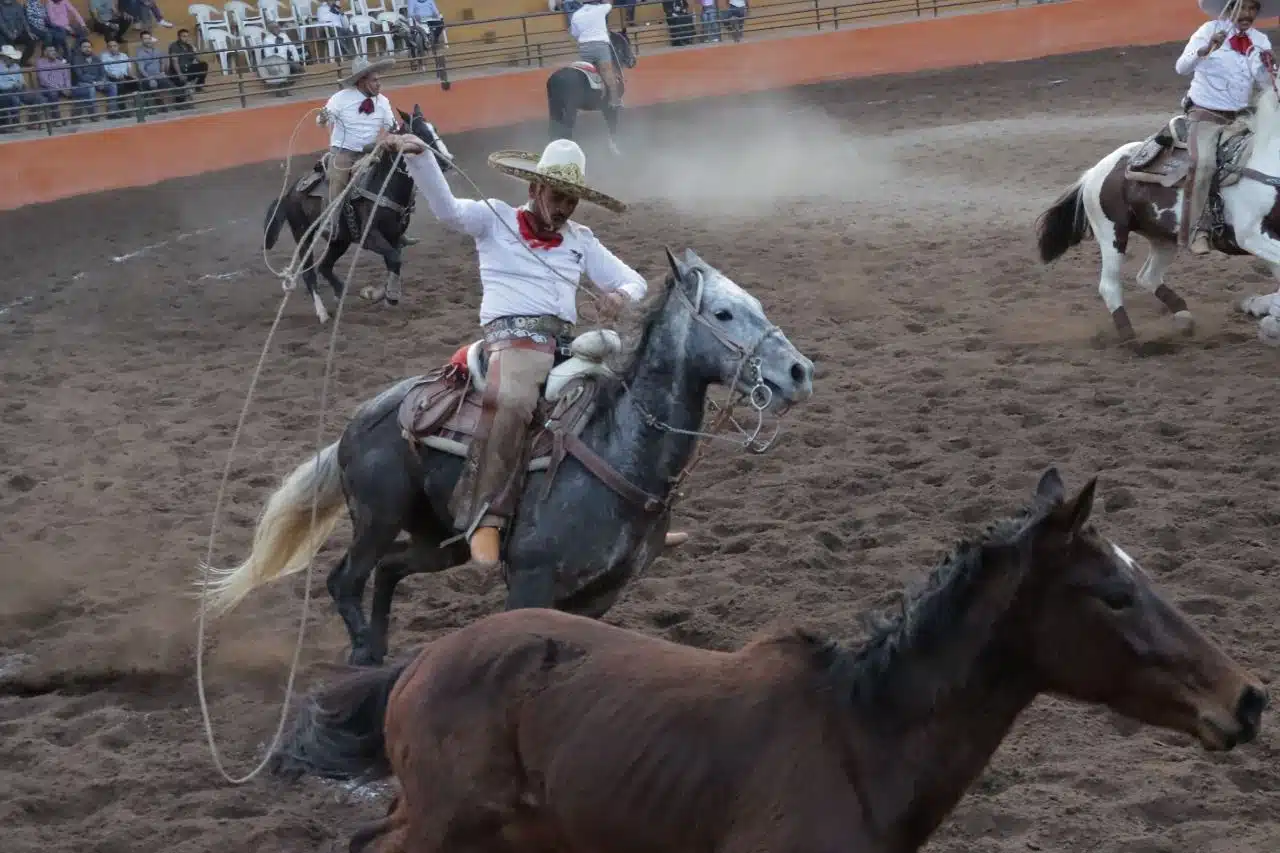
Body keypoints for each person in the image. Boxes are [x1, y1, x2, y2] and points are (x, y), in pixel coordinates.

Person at [380, 131, 691, 565]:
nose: (563, 209)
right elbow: (448, 212)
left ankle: (639, 520)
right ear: (534, 189)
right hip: (510, 341)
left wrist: (619, 296)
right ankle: (487, 516)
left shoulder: (581, 240)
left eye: (571, 201)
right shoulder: (494, 217)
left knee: (630, 402)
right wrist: (420, 161)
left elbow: (634, 282)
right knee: (513, 401)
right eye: (557, 197)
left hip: (565, 346)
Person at [1175, 0, 1276, 254]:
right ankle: (1196, 229)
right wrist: (1206, 49)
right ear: (1230, 9)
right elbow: (1181, 68)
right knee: (1204, 163)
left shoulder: (1260, 40)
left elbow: (1265, 83)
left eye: (1253, 9)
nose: (1248, 14)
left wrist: (1269, 67)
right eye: (1243, 8)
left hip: (1240, 117)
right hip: (1204, 114)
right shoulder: (1208, 31)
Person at [315, 55, 407, 244]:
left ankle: (398, 227)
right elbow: (322, 120)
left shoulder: (383, 101)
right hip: (344, 152)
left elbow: (391, 126)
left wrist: (395, 134)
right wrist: (322, 118)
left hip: (371, 152)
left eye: (378, 79)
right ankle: (331, 222)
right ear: (362, 81)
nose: (378, 84)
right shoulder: (339, 99)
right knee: (338, 180)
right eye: (375, 80)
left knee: (395, 177)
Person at [569, 0, 621, 108]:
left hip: (584, 47)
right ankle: (614, 100)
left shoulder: (576, 14)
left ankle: (587, 100)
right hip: (600, 46)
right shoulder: (601, 9)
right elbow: (609, 2)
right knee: (607, 72)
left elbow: (575, 34)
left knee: (586, 75)